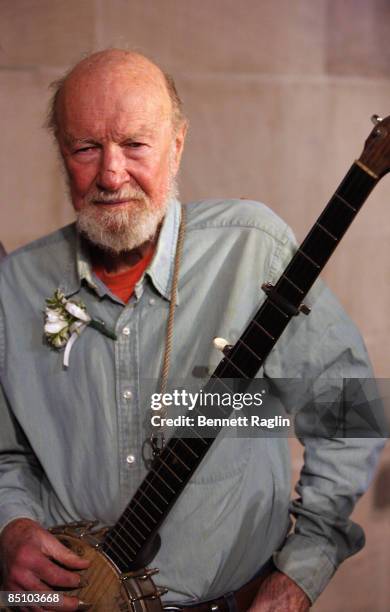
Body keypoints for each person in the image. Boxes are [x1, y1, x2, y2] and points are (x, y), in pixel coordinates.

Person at [0, 49, 384, 612]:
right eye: (87, 147)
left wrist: (301, 572)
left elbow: (353, 409)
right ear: (62, 153)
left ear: (177, 145)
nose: (111, 173)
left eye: (135, 144)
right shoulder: (16, 285)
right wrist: (9, 527)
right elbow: (6, 455)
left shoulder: (253, 247)